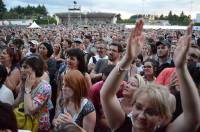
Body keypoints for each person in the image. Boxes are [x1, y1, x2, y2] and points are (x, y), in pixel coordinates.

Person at [100, 19, 200, 132]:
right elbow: (106, 94)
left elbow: (192, 118)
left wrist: (181, 68)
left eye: (151, 112)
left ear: (163, 118)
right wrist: (127, 58)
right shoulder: (121, 125)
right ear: (133, 106)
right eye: (138, 107)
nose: (141, 116)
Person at [14, 54, 52, 131]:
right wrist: (22, 87)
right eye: (21, 66)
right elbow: (16, 104)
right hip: (25, 124)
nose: (21, 69)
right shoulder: (26, 82)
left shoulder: (45, 87)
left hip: (39, 127)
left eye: (25, 67)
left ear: (35, 69)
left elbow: (29, 111)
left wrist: (27, 90)